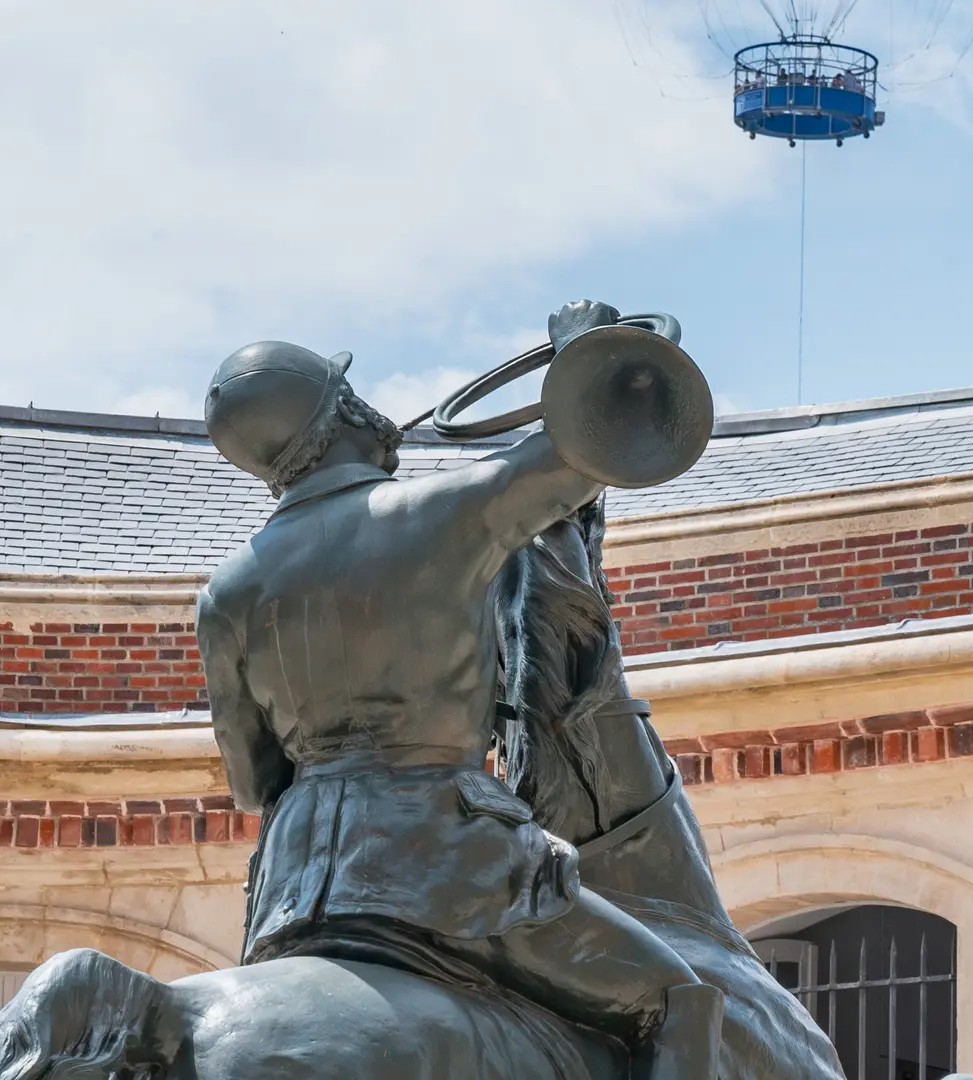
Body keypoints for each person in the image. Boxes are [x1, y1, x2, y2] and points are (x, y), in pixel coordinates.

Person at [195, 300, 722, 1080]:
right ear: (342, 409)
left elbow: (251, 782)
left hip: (295, 892)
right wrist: (581, 351)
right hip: (447, 865)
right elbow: (583, 455)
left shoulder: (227, 593)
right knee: (682, 998)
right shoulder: (437, 512)